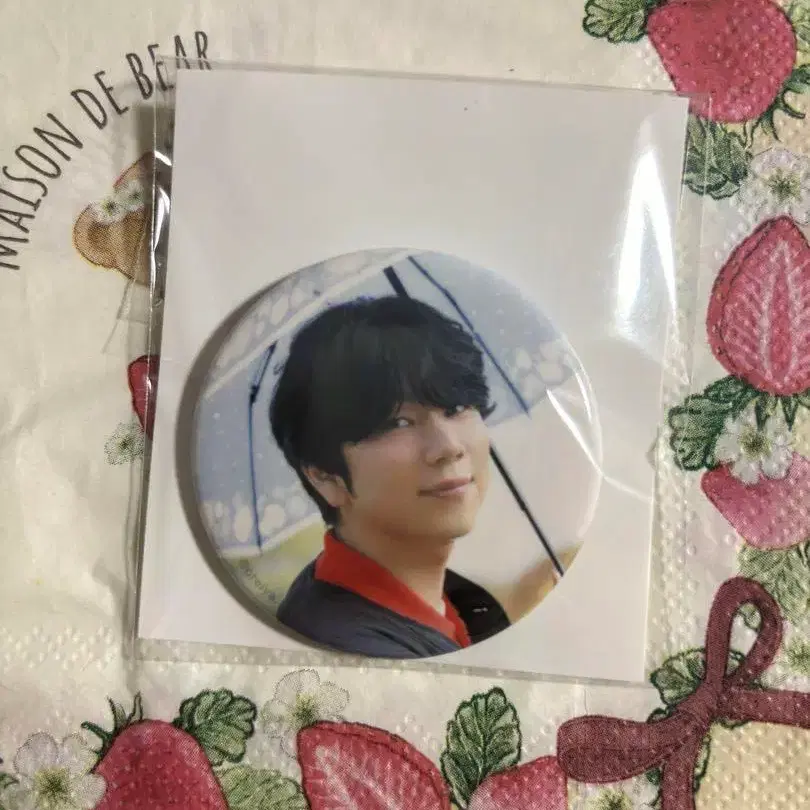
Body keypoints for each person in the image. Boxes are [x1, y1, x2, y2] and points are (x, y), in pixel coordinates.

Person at [269, 294, 511, 658]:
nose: (449, 447)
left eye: (458, 407)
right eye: (399, 422)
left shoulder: (455, 602)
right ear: (324, 476)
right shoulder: (355, 649)